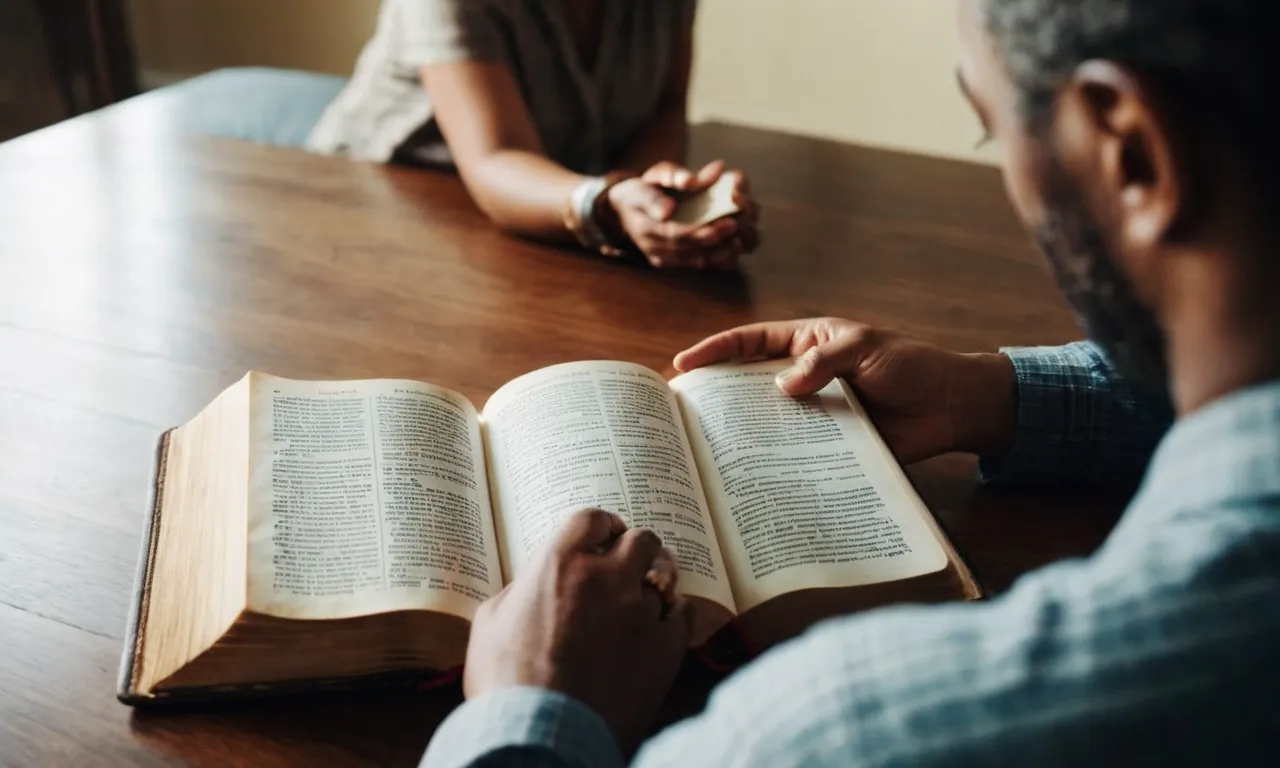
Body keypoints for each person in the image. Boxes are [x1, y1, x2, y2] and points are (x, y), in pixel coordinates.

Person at [421, 0, 1280, 764]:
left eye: (992, 125)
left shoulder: (828, 731)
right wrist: (987, 395)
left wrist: (526, 719)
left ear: (1130, 151)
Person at [164, 0, 759, 270]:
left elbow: (661, 110)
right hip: (383, 210)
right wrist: (606, 204)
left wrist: (659, 197)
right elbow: (498, 157)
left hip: (553, 201)